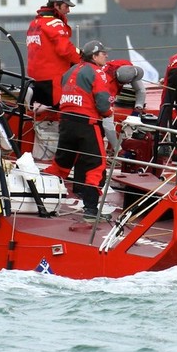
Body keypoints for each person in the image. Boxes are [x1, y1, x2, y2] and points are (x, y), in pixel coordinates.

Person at [44, 40, 114, 222]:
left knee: (61, 164)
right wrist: (108, 113)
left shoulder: (69, 71)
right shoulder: (98, 72)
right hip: (87, 123)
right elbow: (103, 102)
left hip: (66, 122)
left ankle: (43, 198)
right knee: (96, 165)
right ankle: (91, 211)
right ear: (94, 56)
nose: (106, 55)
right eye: (103, 53)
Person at [26, 0, 81, 107]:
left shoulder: (34, 23)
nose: (68, 10)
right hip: (53, 78)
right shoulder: (54, 23)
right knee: (58, 110)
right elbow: (65, 49)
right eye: (66, 6)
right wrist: (83, 59)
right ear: (56, 5)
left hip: (35, 77)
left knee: (43, 112)